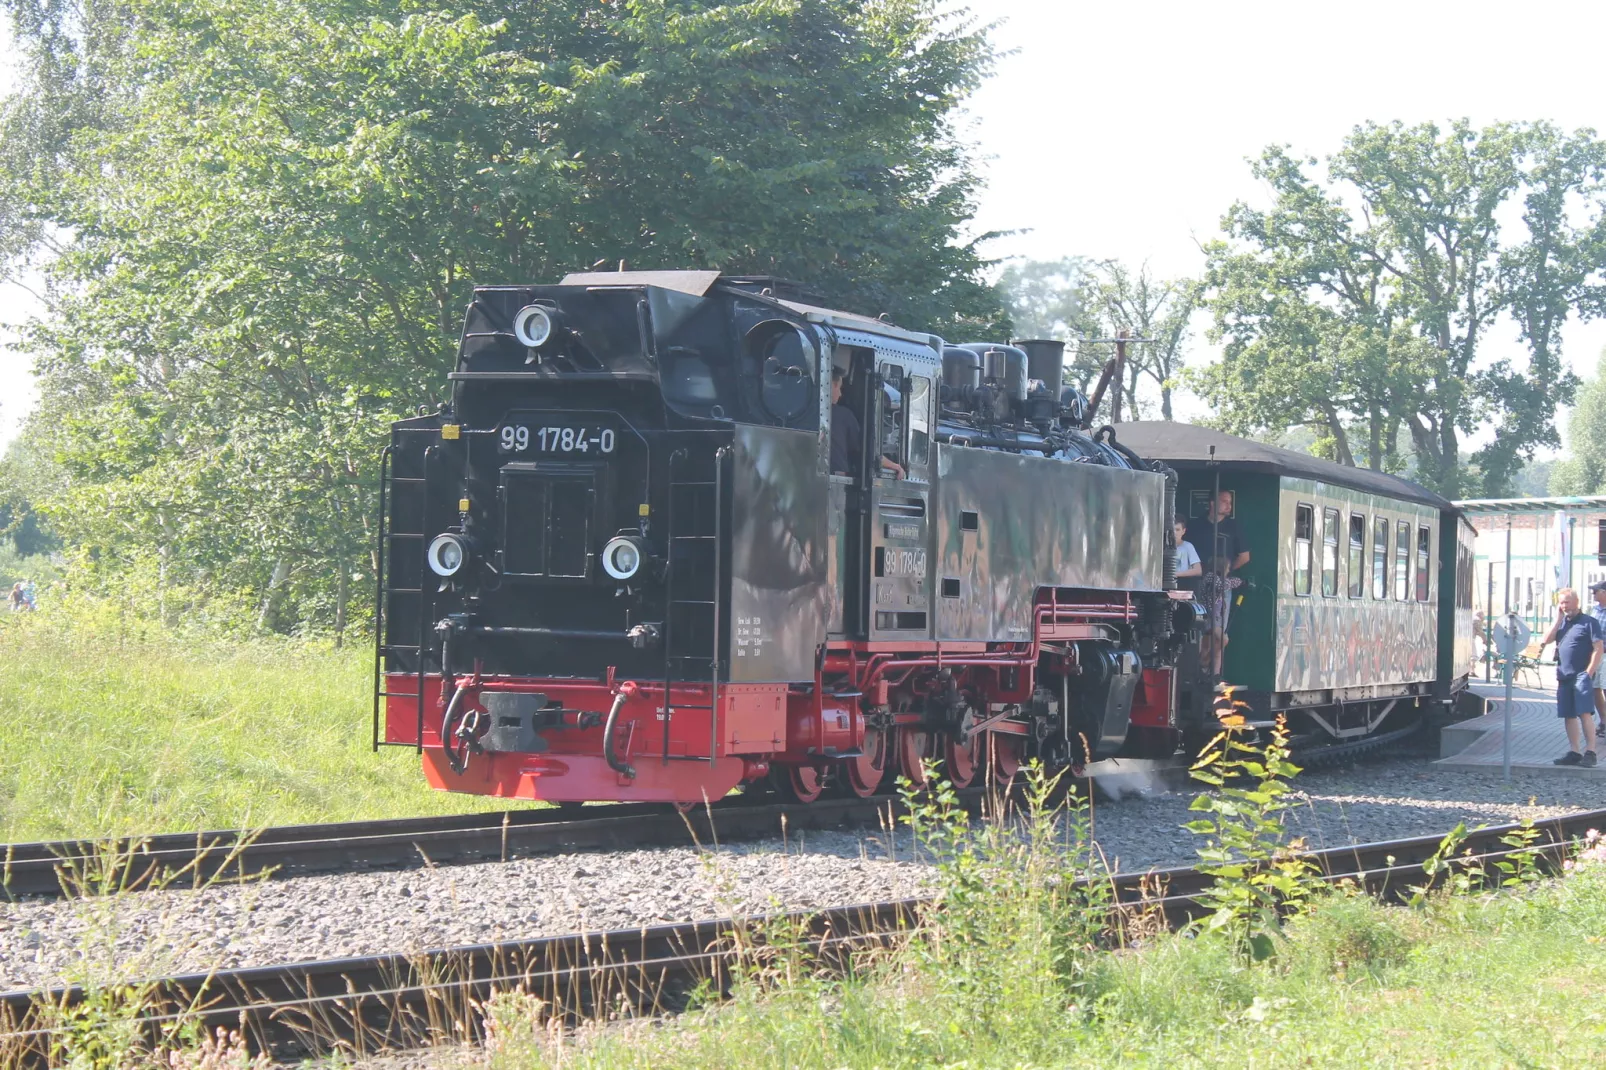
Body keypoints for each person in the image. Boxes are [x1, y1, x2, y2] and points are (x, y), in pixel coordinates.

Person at [1537, 587, 1603, 767]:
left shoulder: (1590, 623)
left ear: (1576, 602)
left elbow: (1598, 648)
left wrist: (1589, 672)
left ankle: (1590, 751)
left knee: (1584, 713)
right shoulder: (1562, 623)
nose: (1564, 606)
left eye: (1567, 602)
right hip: (1564, 676)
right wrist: (1558, 619)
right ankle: (1574, 751)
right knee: (1568, 714)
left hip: (1582, 675)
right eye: (1561, 602)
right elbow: (1546, 640)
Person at [830, 365, 904, 479]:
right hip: (836, 480)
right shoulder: (844, 416)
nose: (840, 394)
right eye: (839, 388)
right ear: (832, 385)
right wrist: (895, 466)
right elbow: (867, 452)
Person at [1197, 555, 1243, 677]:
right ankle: (1204, 662)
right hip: (1210, 617)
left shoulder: (1215, 578)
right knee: (1223, 640)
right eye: (1227, 568)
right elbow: (1223, 585)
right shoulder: (1210, 578)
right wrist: (1240, 582)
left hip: (1216, 617)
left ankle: (1215, 674)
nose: (1228, 571)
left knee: (1213, 645)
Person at [1185, 490, 1250, 576]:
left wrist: (1225, 572)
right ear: (1213, 503)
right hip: (1197, 579)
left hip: (1223, 583)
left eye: (1230, 502)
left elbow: (1244, 557)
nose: (1229, 506)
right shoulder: (1195, 525)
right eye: (1224, 502)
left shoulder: (1234, 526)